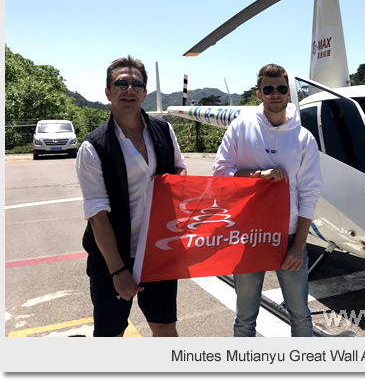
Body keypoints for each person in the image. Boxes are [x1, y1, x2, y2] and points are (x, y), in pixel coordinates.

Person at [76, 55, 187, 337]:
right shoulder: (93, 147)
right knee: (110, 335)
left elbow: (179, 172)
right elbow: (98, 216)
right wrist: (118, 271)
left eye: (136, 84)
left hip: (157, 252)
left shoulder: (164, 130)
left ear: (144, 93)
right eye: (121, 83)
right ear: (108, 92)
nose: (129, 90)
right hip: (111, 260)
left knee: (165, 328)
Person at [213, 63, 322, 337]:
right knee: (245, 318)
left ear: (289, 93)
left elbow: (309, 192)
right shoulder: (240, 128)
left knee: (300, 315)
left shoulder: (304, 138)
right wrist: (257, 176)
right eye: (269, 89)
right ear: (259, 93)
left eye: (282, 88)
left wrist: (299, 246)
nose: (276, 94)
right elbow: (220, 174)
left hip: (288, 238)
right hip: (249, 236)